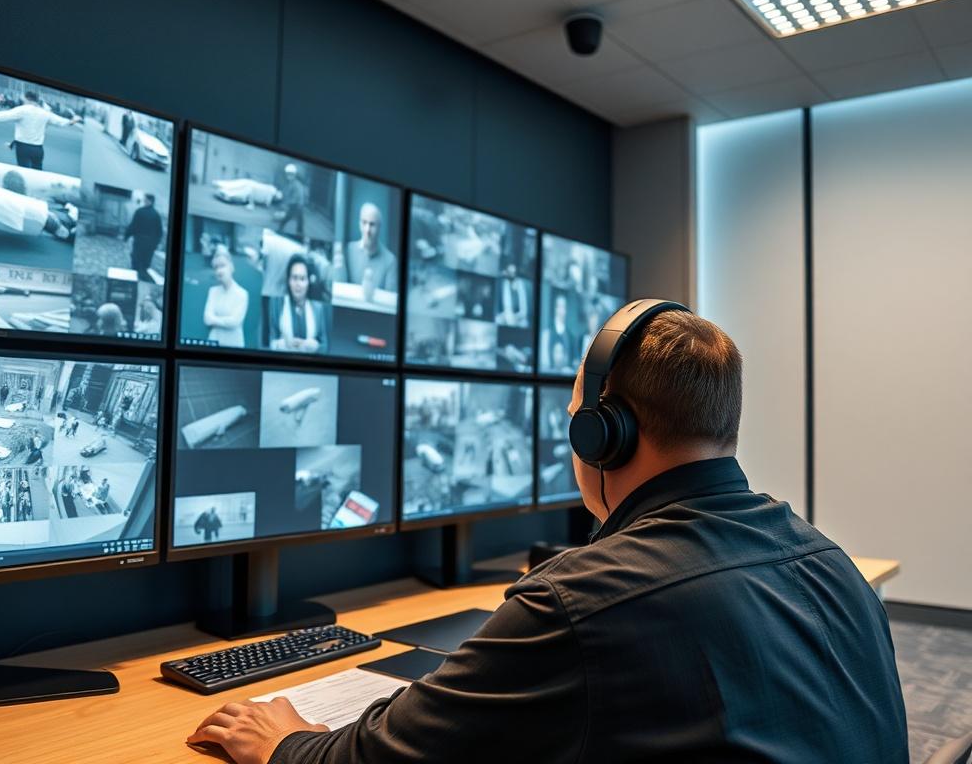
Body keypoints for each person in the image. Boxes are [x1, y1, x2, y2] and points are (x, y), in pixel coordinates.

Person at [190, 303, 909, 763]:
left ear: (604, 434)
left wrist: (283, 742)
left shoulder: (582, 598)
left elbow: (379, 759)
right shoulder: (828, 556)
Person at [0, 89, 80, 170]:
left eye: (22, 99)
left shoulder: (23, 110)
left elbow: (2, 116)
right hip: (38, 149)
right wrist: (74, 120)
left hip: (23, 148)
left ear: (27, 98)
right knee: (37, 174)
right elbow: (63, 122)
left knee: (25, 172)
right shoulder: (45, 113)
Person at [269, 254, 328, 354]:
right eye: (294, 278)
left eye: (302, 279)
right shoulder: (277, 304)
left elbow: (325, 347)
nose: (298, 284)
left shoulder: (318, 308)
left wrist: (315, 346)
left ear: (308, 282)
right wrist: (281, 344)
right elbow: (270, 342)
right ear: (288, 280)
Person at [337, 203, 397, 294]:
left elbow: (390, 301)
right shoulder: (348, 250)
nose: (367, 230)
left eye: (372, 224)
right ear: (359, 224)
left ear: (379, 227)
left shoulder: (390, 261)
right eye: (364, 222)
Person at [203, 251, 249, 348]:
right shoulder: (213, 291)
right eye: (216, 267)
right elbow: (207, 319)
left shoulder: (242, 294)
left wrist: (214, 320)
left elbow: (235, 321)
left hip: (234, 346)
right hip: (213, 343)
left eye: (223, 266)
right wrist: (225, 321)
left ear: (231, 267)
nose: (219, 271)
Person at [124, 193, 164, 282]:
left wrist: (126, 236)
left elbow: (133, 225)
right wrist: (156, 244)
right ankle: (143, 279)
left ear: (150, 201)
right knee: (145, 263)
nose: (144, 202)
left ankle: (137, 280)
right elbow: (159, 231)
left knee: (136, 261)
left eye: (145, 200)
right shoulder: (156, 215)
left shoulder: (139, 212)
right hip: (150, 244)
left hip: (139, 241)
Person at [540, 292, 575, 372]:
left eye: (564, 307)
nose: (561, 310)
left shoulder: (570, 336)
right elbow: (544, 364)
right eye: (559, 306)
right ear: (555, 309)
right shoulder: (546, 335)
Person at [277, 163, 307, 237]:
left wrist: (287, 203)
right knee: (290, 218)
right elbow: (287, 193)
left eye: (290, 174)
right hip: (294, 205)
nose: (288, 176)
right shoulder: (291, 183)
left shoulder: (297, 184)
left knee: (299, 220)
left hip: (297, 205)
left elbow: (298, 195)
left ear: (294, 175)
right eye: (287, 174)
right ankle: (282, 227)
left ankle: (299, 233)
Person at [495, 263, 529, 328]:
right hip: (506, 315)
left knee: (524, 324)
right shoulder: (504, 284)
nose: (511, 274)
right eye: (509, 272)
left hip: (519, 317)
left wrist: (516, 317)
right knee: (498, 320)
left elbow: (524, 310)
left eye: (513, 272)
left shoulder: (521, 285)